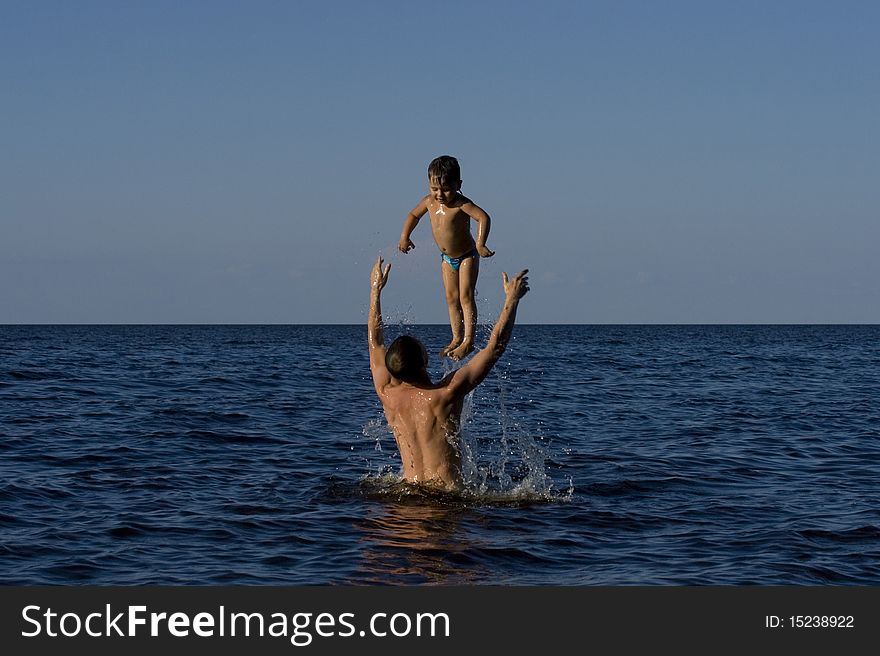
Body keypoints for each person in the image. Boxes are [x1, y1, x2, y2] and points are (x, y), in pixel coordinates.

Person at [368, 256, 529, 490]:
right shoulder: (445, 395)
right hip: (446, 498)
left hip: (407, 496)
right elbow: (494, 348)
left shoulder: (386, 394)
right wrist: (511, 301)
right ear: (424, 361)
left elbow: (375, 342)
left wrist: (375, 291)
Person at [398, 155, 495, 360]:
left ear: (458, 185)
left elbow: (483, 217)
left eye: (446, 189)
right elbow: (413, 216)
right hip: (447, 258)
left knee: (465, 297)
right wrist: (405, 237)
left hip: (467, 255)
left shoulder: (461, 204)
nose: (440, 194)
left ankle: (468, 340)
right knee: (451, 298)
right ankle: (456, 337)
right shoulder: (429, 202)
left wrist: (480, 244)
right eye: (435, 189)